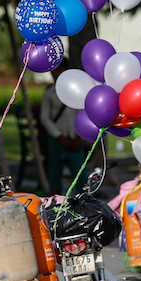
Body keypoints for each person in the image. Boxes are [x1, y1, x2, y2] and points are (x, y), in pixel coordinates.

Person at [40, 58, 88, 194]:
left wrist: (79, 136)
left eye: (59, 70)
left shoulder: (76, 91)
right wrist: (59, 136)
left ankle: (82, 203)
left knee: (81, 175)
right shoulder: (49, 93)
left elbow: (81, 113)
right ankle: (55, 205)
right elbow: (45, 118)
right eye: (53, 71)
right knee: (54, 175)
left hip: (75, 138)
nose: (56, 74)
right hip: (57, 139)